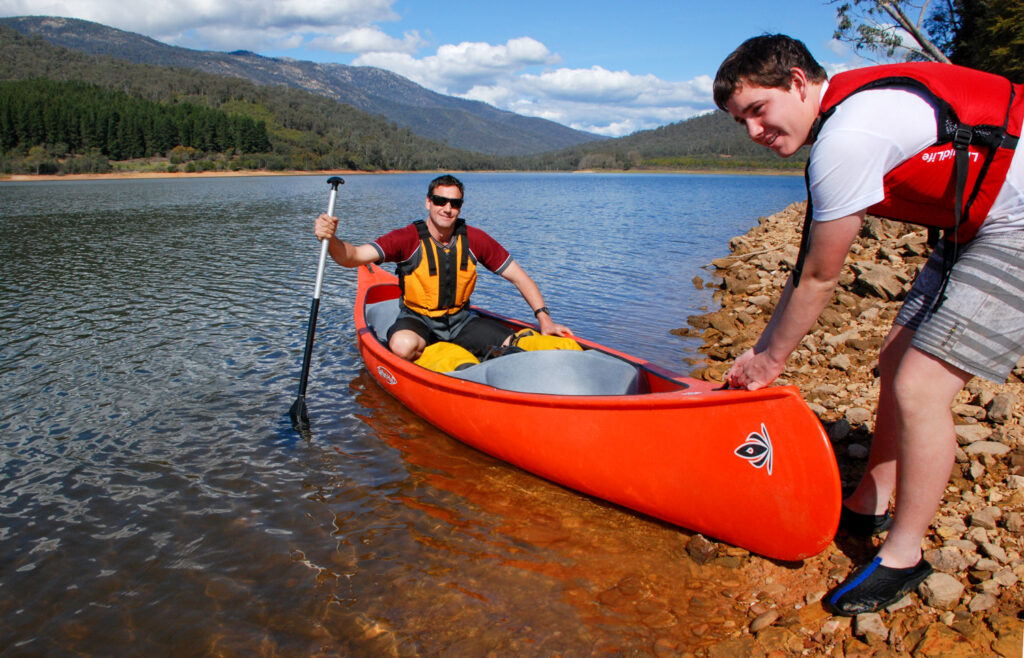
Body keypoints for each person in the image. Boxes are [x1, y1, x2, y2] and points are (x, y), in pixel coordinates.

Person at [713, 34, 1024, 615]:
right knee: (893, 360)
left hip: (1016, 222)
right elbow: (809, 263)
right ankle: (870, 498)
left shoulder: (848, 138)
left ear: (799, 84)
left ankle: (904, 556)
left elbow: (821, 280)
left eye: (759, 110)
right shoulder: (841, 123)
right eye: (740, 122)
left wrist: (769, 362)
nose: (754, 132)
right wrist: (759, 351)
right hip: (978, 225)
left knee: (920, 385)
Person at [314, 174, 572, 361]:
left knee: (516, 346)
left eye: (455, 203)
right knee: (402, 346)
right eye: (440, 201)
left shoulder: (475, 239)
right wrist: (332, 239)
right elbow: (354, 256)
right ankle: (440, 358)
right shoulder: (407, 238)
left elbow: (520, 277)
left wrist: (544, 318)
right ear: (428, 202)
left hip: (461, 321)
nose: (447, 209)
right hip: (417, 320)